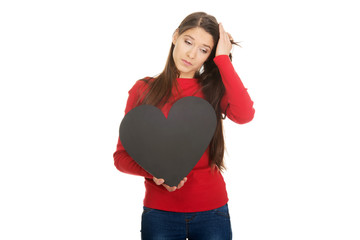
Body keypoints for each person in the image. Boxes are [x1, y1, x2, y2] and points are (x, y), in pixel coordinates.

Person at [113, 12, 255, 240]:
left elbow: (245, 114)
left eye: (204, 50)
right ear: (175, 36)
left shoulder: (212, 90)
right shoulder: (143, 89)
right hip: (160, 213)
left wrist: (223, 59)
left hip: (213, 211)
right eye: (188, 42)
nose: (191, 54)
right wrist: (154, 174)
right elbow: (121, 157)